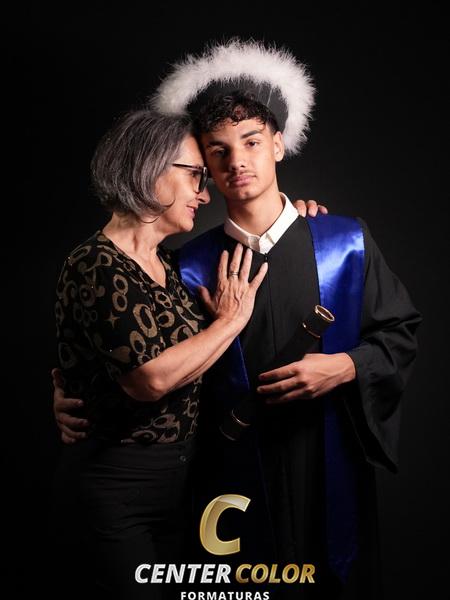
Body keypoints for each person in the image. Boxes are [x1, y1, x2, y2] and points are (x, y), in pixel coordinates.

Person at [54, 39, 421, 598]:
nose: (237, 162)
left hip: (326, 462)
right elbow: (130, 349)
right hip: (226, 471)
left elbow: (399, 333)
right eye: (217, 151)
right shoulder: (186, 264)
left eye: (251, 142)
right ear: (202, 164)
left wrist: (346, 366)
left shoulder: (343, 243)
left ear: (278, 143)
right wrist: (70, 394)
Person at [53, 108, 271, 600]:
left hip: (179, 485)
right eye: (195, 175)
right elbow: (148, 380)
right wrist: (231, 321)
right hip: (115, 489)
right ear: (150, 168)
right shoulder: (94, 263)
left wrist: (302, 216)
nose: (204, 193)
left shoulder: (169, 265)